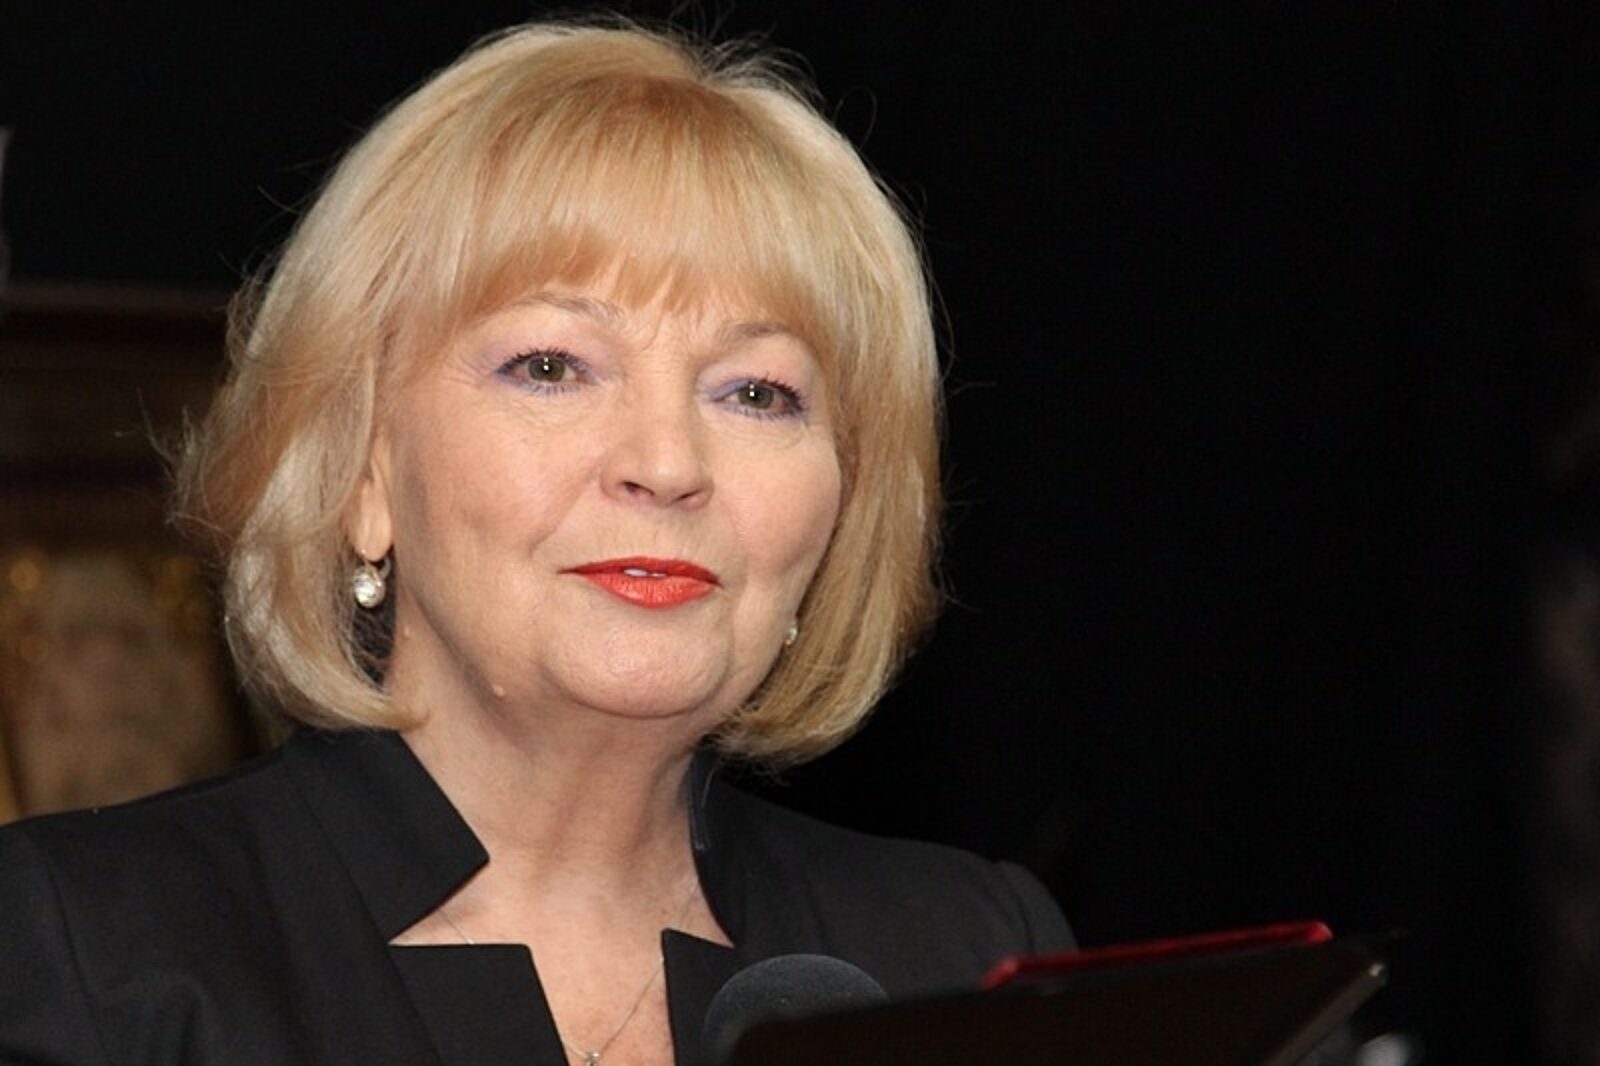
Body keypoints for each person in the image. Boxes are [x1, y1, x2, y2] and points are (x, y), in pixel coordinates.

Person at [0, 20, 1072, 1064]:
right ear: (362, 473)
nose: (667, 461)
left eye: (756, 392)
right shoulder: (82, 949)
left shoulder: (967, 952)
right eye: (553, 368)